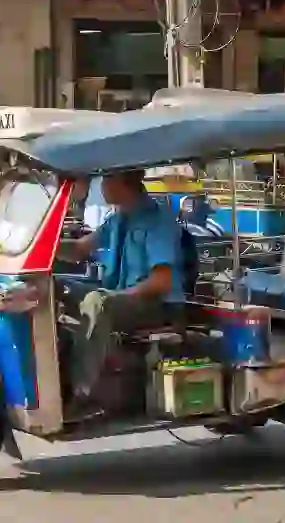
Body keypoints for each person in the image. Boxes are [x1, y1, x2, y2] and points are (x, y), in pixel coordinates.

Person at [58, 170, 184, 417]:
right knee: (58, 287)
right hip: (120, 297)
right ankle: (58, 378)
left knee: (98, 301)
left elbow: (161, 281)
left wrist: (118, 297)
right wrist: (46, 247)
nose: (101, 184)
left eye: (107, 178)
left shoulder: (159, 221)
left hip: (155, 305)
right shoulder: (117, 220)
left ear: (124, 183)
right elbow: (80, 249)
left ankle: (83, 393)